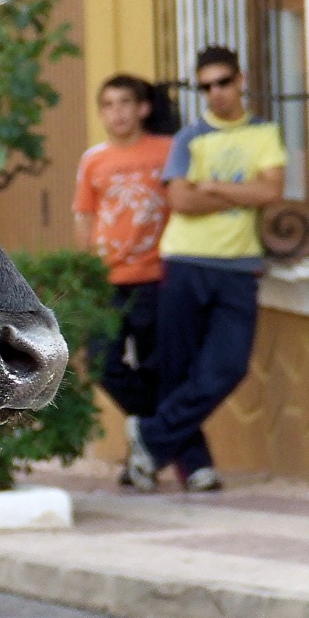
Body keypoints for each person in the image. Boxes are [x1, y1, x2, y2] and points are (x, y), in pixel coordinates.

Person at [126, 45, 287, 493]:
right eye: (206, 87)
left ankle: (150, 437)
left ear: (241, 80)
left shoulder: (264, 134)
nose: (215, 93)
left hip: (238, 266)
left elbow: (271, 192)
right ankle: (194, 466)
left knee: (228, 366)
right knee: (178, 370)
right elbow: (181, 201)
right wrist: (241, 189)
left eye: (222, 82)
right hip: (184, 262)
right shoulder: (189, 139)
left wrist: (213, 185)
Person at [73, 74, 175, 485]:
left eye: (125, 103)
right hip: (109, 280)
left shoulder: (165, 151)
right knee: (102, 362)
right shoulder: (94, 160)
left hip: (156, 276)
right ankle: (150, 425)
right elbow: (84, 215)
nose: (117, 113)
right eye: (108, 105)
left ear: (143, 109)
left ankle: (143, 452)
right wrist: (88, 270)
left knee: (155, 365)